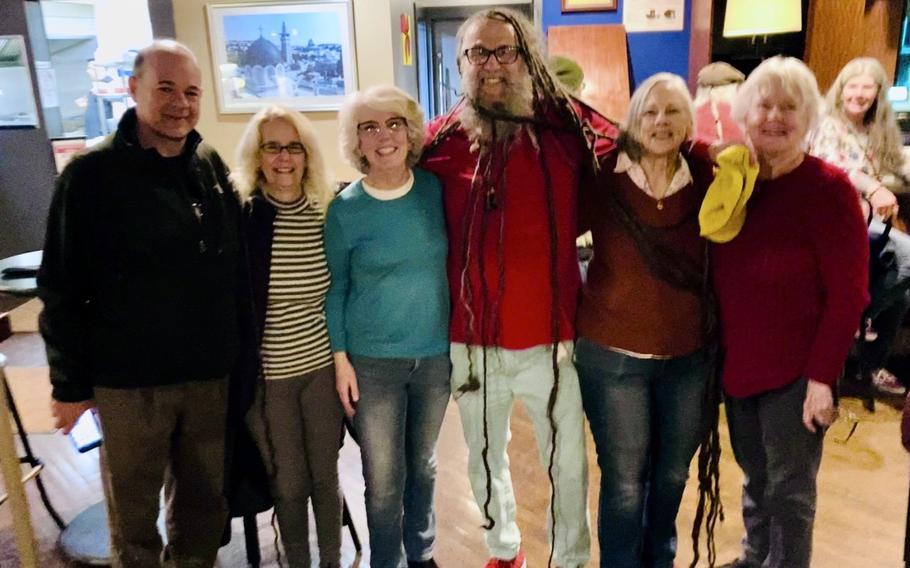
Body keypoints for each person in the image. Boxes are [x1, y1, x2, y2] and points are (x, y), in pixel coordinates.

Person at [38, 40, 249, 566]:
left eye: (192, 91)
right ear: (133, 90)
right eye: (166, 89)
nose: (181, 103)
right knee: (134, 521)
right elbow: (60, 285)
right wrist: (68, 385)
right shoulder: (89, 176)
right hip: (129, 386)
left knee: (202, 511)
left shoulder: (209, 164)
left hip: (207, 378)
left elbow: (233, 270)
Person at [420, 8, 616, 567]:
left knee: (568, 464)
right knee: (482, 461)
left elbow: (636, 147)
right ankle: (504, 549)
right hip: (471, 342)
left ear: (527, 58)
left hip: (550, 341)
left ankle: (571, 559)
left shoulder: (565, 127)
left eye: (505, 51)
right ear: (462, 62)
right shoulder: (440, 140)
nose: (492, 65)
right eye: (478, 53)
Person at [714, 56, 869, 568]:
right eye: (765, 104)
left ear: (808, 117)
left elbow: (849, 295)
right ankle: (756, 556)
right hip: (740, 367)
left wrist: (823, 378)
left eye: (789, 106)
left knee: (791, 493)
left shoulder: (830, 190)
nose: (775, 116)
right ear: (745, 111)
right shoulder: (735, 182)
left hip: (798, 374)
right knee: (756, 478)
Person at [576, 73, 718, 568]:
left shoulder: (706, 173)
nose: (661, 122)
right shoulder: (601, 175)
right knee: (624, 479)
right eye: (650, 112)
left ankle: (660, 559)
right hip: (612, 355)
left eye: (673, 112)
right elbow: (550, 231)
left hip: (688, 357)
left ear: (688, 121)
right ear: (633, 120)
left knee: (673, 474)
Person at [327, 85, 450, 568]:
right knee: (382, 479)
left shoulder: (435, 192)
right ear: (356, 142)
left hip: (434, 359)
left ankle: (421, 555)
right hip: (372, 363)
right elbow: (334, 291)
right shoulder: (344, 211)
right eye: (369, 127)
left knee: (423, 467)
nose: (383, 136)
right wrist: (341, 362)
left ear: (411, 132)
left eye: (393, 123)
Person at [233, 105, 342, 568]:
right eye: (271, 147)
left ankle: (332, 561)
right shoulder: (244, 218)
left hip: (321, 370)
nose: (283, 158)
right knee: (288, 483)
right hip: (270, 378)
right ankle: (296, 560)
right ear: (257, 157)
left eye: (293, 147)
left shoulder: (327, 211)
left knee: (325, 476)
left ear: (306, 155)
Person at [809, 56, 910, 396]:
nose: (859, 93)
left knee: (903, 294)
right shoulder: (828, 125)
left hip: (866, 221)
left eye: (867, 87)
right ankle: (858, 316)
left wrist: (890, 180)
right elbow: (833, 168)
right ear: (840, 90)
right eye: (853, 85)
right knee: (908, 256)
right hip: (835, 222)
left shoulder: (877, 128)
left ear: (878, 92)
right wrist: (873, 186)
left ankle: (868, 366)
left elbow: (895, 163)